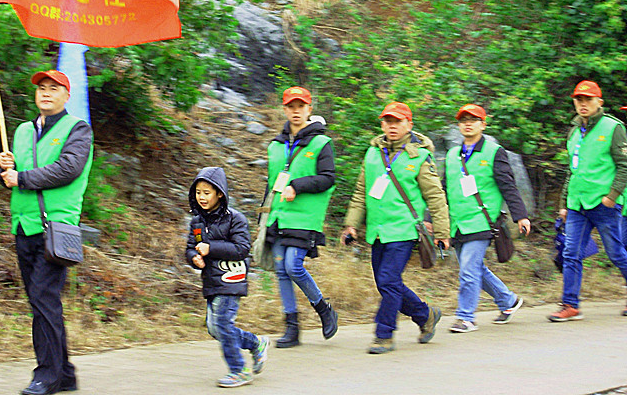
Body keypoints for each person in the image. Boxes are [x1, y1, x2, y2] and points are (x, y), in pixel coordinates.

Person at [0, 70, 93, 395]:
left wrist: (21, 177)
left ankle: (47, 376)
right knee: (41, 301)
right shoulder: (23, 130)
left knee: (43, 298)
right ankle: (64, 374)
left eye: (54, 89)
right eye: (41, 88)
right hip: (23, 224)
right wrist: (7, 170)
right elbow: (15, 174)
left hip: (56, 227)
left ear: (67, 95)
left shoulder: (78, 129)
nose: (46, 93)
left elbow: (68, 168)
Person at [341, 102, 450, 354]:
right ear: (382, 124)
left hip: (404, 229)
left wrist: (442, 233)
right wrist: (351, 225)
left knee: (389, 280)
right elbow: (361, 193)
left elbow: (435, 197)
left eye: (398, 121)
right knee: (385, 283)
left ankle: (384, 333)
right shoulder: (372, 154)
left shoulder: (420, 156)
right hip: (378, 231)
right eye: (387, 121)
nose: (392, 125)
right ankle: (425, 315)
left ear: (409, 125)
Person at [444, 104, 531, 333]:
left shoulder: (494, 152)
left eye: (474, 119)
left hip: (482, 220)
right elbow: (444, 189)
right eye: (463, 120)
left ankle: (465, 317)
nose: (468, 123)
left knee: (468, 270)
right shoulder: (453, 154)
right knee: (473, 268)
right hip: (458, 222)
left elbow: (508, 186)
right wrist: (436, 219)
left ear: (483, 124)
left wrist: (520, 216)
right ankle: (508, 300)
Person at [263, 86, 338, 348]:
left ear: (309, 109)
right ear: (284, 109)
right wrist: (264, 215)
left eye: (301, 106)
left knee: (293, 266)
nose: (296, 111)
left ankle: (323, 309)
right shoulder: (275, 145)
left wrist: (297, 185)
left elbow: (328, 178)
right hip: (278, 216)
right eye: (291, 106)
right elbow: (271, 183)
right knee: (282, 272)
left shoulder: (321, 143)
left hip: (305, 218)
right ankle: (292, 328)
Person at [550, 80, 627, 322]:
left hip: (603, 204)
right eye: (579, 100)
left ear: (599, 103)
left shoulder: (614, 128)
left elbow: (624, 166)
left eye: (588, 100)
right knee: (571, 253)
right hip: (577, 204)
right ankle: (570, 304)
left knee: (616, 254)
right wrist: (564, 203)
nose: (583, 104)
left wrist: (611, 197)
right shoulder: (573, 130)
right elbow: (572, 169)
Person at [186, 166, 268, 388]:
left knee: (222, 322)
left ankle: (239, 370)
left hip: (232, 278)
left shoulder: (235, 219)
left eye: (207, 193)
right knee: (215, 328)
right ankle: (255, 342)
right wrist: (194, 256)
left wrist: (210, 248)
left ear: (219, 193)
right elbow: (190, 248)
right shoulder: (197, 222)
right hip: (211, 280)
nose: (201, 197)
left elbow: (242, 249)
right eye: (198, 192)